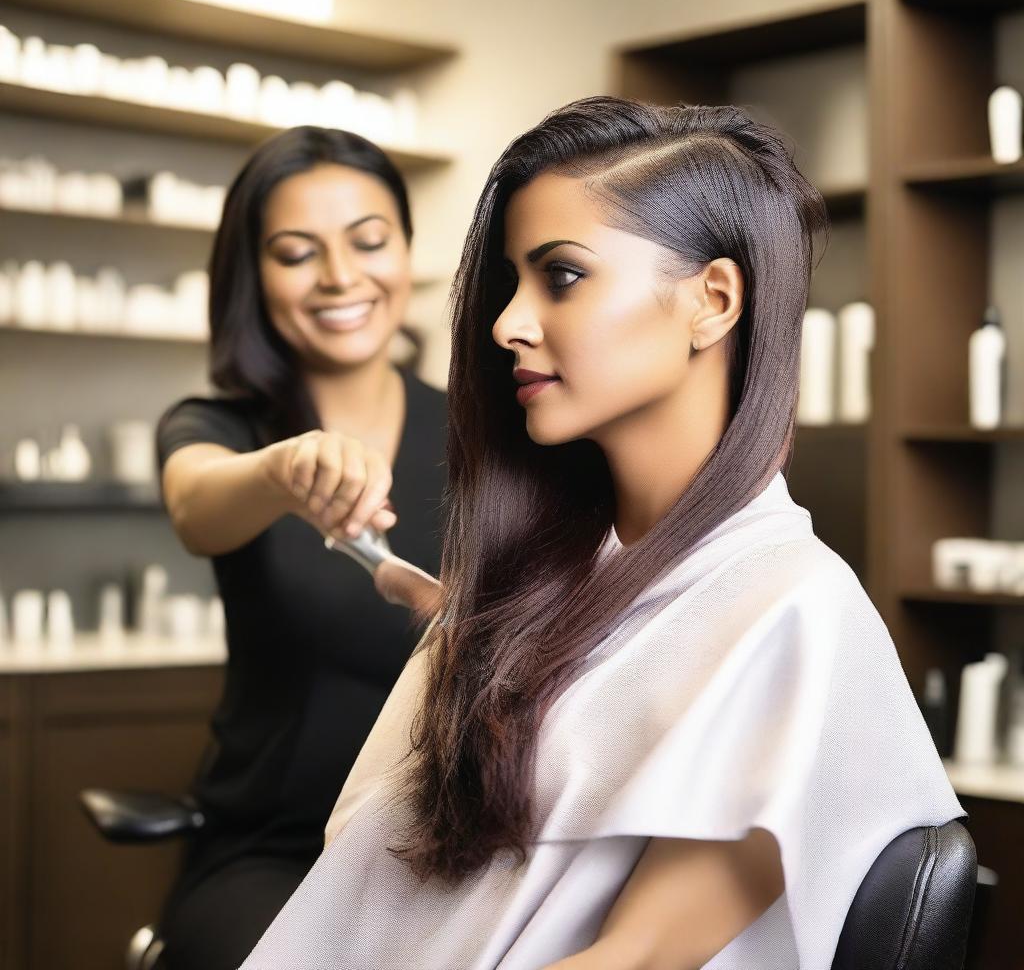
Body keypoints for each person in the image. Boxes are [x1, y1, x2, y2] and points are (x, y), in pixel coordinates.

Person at [240, 98, 964, 970]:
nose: (507, 322)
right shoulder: (533, 584)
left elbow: (633, 961)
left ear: (713, 301)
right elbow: (363, 872)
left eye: (563, 276)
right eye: (512, 280)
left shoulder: (793, 615)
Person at [154, 126, 446, 970]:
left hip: (447, 849)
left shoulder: (486, 431)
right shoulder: (221, 430)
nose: (340, 277)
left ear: (404, 252)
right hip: (271, 857)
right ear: (255, 274)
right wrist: (284, 470)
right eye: (296, 252)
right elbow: (197, 504)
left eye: (368, 241)